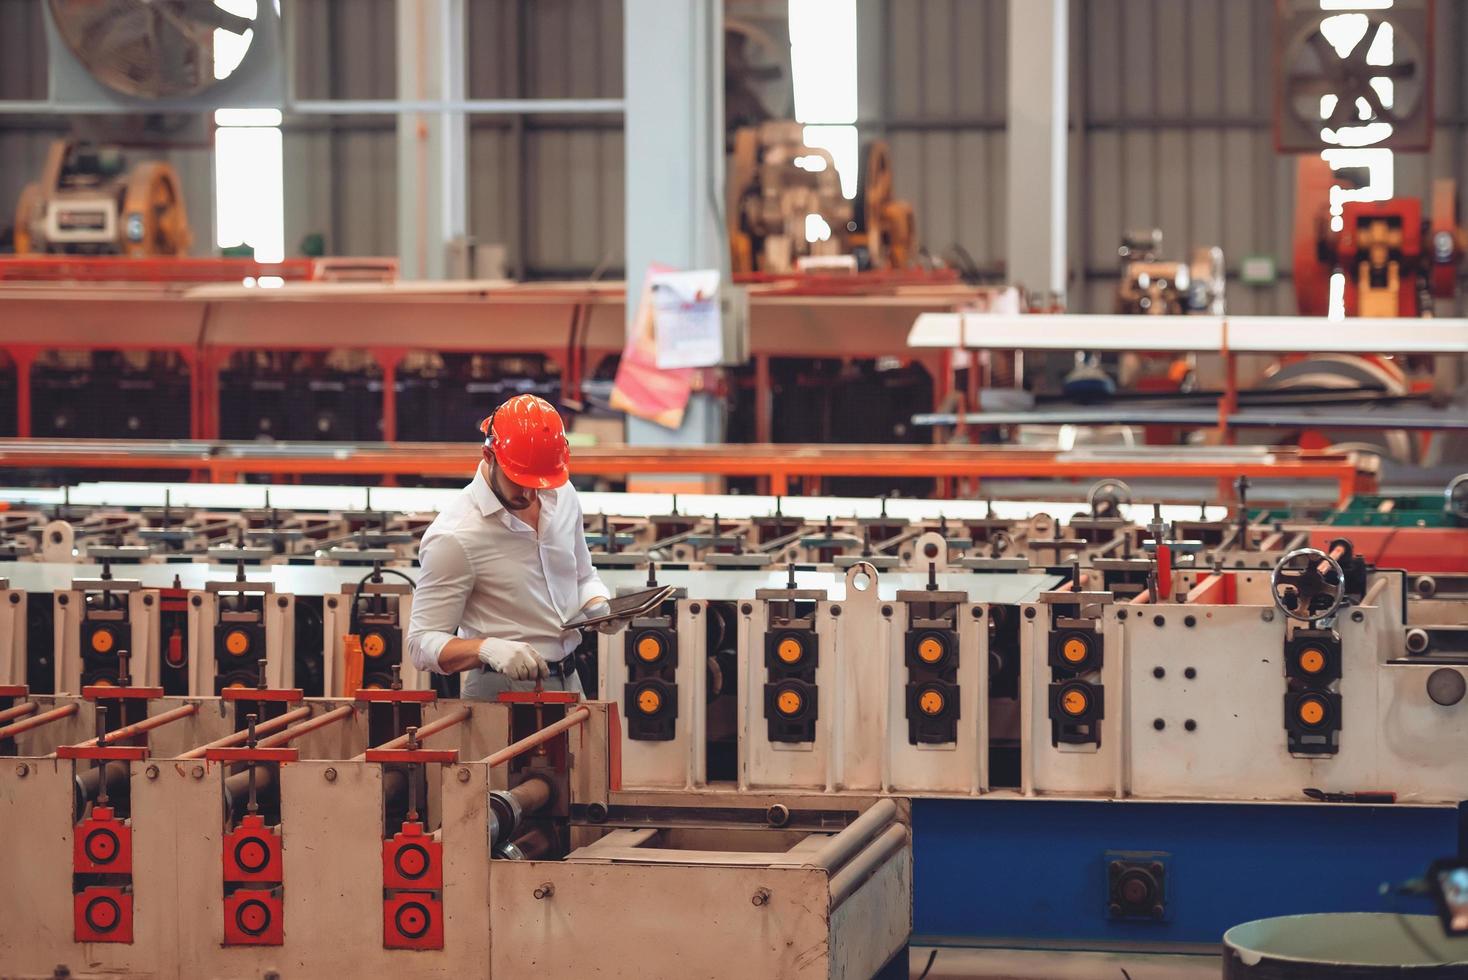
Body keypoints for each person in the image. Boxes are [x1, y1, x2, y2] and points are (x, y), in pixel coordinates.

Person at [406, 394, 625, 699]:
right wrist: (486, 648)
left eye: (539, 482)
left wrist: (599, 607)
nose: (531, 493)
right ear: (488, 456)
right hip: (499, 692)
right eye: (519, 480)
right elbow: (420, 644)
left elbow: (582, 576)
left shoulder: (562, 495)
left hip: (571, 681)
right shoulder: (455, 536)